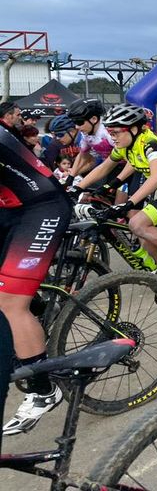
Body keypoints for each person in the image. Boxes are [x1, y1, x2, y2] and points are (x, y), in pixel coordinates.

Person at [71, 103, 157, 282]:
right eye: (110, 133)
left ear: (132, 129)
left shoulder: (150, 144)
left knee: (137, 224)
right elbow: (104, 167)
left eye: (115, 133)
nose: (112, 137)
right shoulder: (127, 146)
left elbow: (156, 177)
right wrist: (76, 188)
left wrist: (129, 203)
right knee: (148, 244)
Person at [1, 113, 72, 435]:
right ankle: (36, 315)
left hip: (40, 207)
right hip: (10, 208)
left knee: (10, 303)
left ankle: (43, 390)